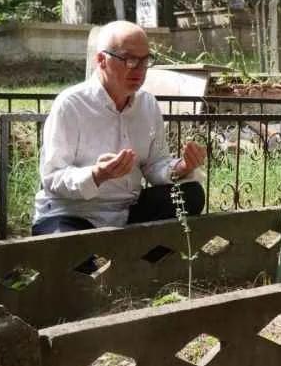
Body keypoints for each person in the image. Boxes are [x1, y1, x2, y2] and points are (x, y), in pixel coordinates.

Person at [32, 20, 206, 236]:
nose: (140, 70)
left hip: (126, 211)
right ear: (101, 60)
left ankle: (140, 263)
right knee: (71, 255)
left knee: (191, 194)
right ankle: (127, 260)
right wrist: (96, 175)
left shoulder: (147, 104)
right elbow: (52, 178)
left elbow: (154, 165)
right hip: (72, 213)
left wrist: (181, 167)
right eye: (130, 59)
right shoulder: (71, 104)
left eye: (145, 61)